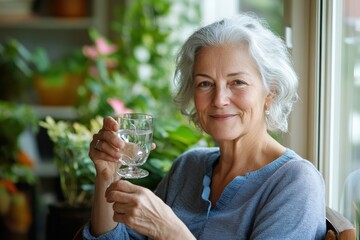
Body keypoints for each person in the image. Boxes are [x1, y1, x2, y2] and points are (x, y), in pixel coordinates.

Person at [83, 13, 326, 239]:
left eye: (237, 82)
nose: (219, 99)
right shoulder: (189, 167)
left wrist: (172, 232)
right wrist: (107, 175)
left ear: (270, 92)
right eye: (205, 84)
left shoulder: (295, 182)